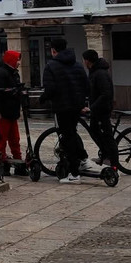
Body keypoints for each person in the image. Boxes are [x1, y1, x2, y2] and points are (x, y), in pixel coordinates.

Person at [42, 37, 91, 183]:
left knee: (66, 137)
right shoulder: (77, 65)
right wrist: (82, 102)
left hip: (62, 107)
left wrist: (42, 99)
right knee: (72, 133)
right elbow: (86, 86)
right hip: (76, 106)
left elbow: (50, 89)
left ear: (53, 50)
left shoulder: (51, 66)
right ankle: (83, 159)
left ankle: (74, 174)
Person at [0, 50, 24, 172]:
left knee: (15, 139)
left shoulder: (13, 74)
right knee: (1, 140)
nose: (19, 62)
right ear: (12, 60)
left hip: (11, 113)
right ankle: (1, 164)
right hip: (2, 114)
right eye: (17, 60)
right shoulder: (0, 75)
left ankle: (18, 162)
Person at [83, 49, 119, 168]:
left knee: (107, 135)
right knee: (94, 130)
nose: (84, 62)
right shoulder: (94, 72)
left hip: (102, 109)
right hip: (97, 109)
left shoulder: (100, 73)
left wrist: (92, 107)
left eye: (84, 60)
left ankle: (113, 161)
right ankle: (105, 154)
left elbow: (106, 94)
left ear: (87, 61)